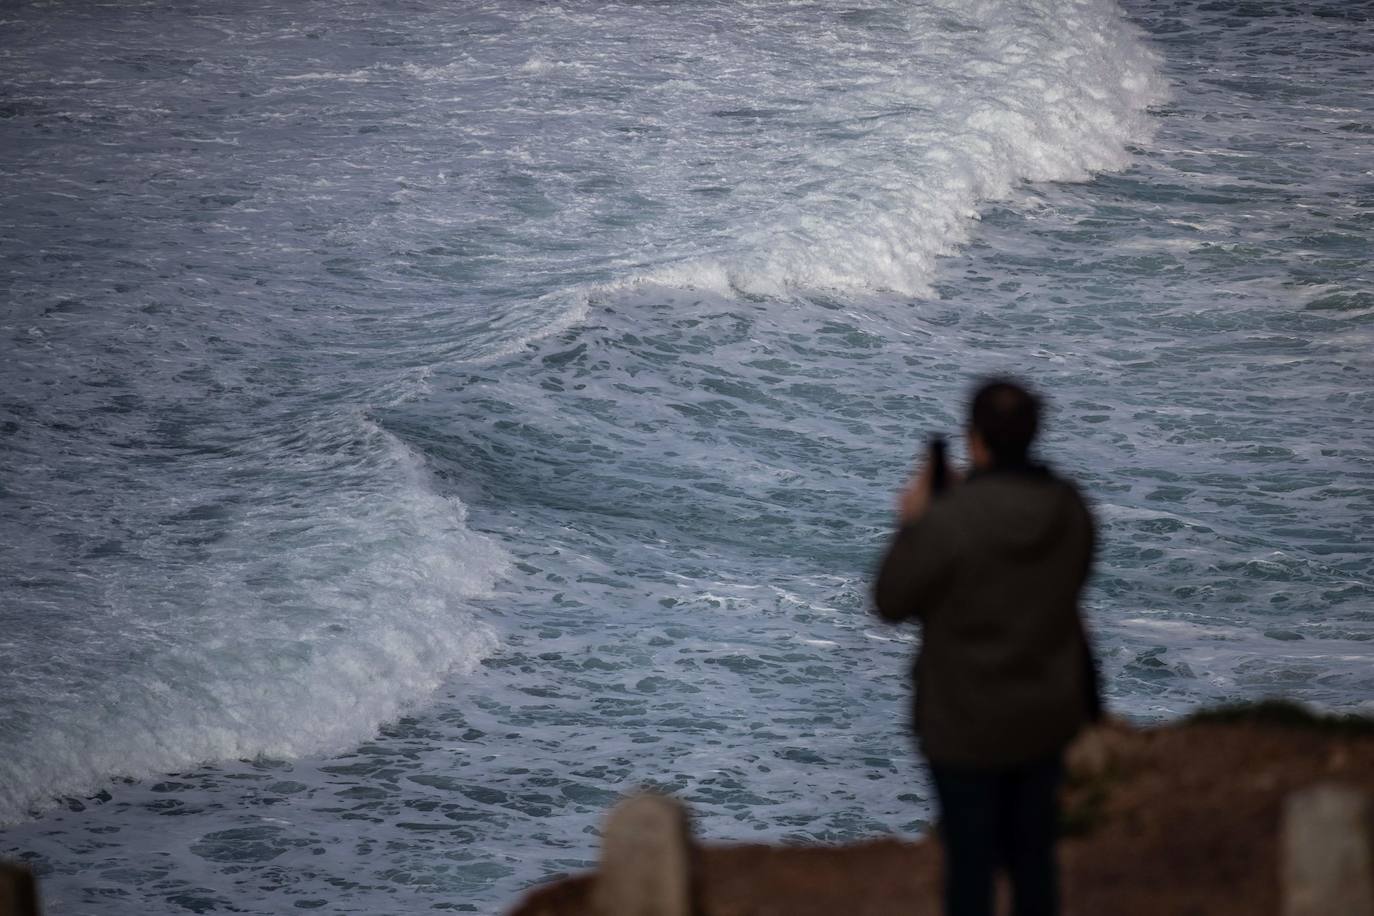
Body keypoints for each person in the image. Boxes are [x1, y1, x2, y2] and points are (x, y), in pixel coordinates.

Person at [872, 378, 1100, 916]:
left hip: (963, 723)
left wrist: (914, 524)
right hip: (1046, 715)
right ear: (1034, 433)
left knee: (970, 870)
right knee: (1034, 863)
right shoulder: (1068, 508)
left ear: (974, 439)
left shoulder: (950, 520)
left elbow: (891, 600)